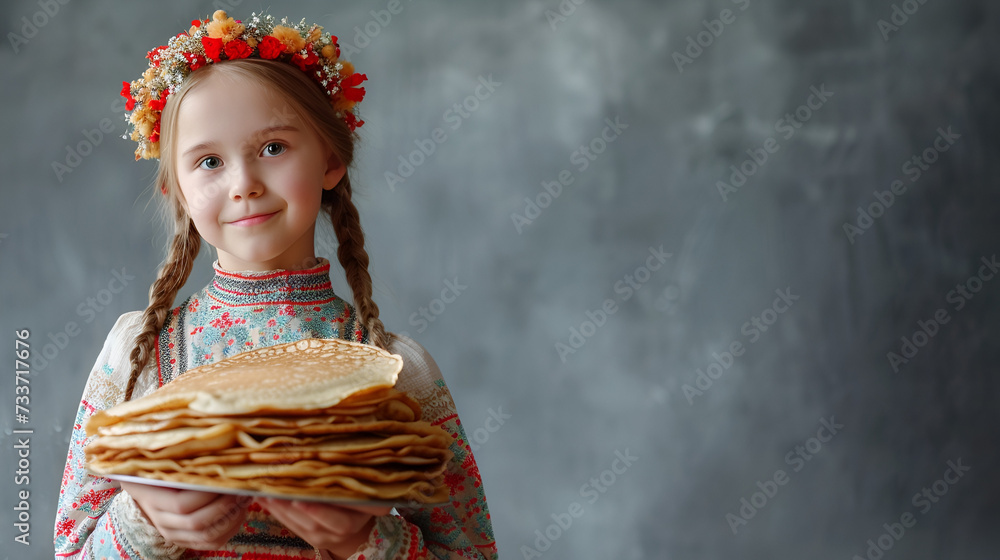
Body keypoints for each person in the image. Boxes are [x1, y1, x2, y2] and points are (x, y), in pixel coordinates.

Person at [53, 10, 497, 560]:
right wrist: (142, 520)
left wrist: (367, 541)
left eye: (273, 149)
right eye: (209, 160)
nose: (243, 185)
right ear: (176, 190)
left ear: (331, 160)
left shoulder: (399, 370)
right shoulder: (139, 354)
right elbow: (71, 550)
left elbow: (471, 552)